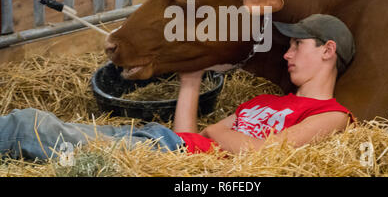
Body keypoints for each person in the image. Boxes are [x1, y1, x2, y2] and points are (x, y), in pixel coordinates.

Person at [0, 14, 355, 160]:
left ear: (328, 50)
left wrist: (217, 131)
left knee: (30, 126)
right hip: (167, 144)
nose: (287, 54)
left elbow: (266, 155)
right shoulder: (266, 100)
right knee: (32, 120)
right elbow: (192, 135)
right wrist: (192, 78)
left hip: (172, 155)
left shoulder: (332, 115)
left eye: (297, 46)